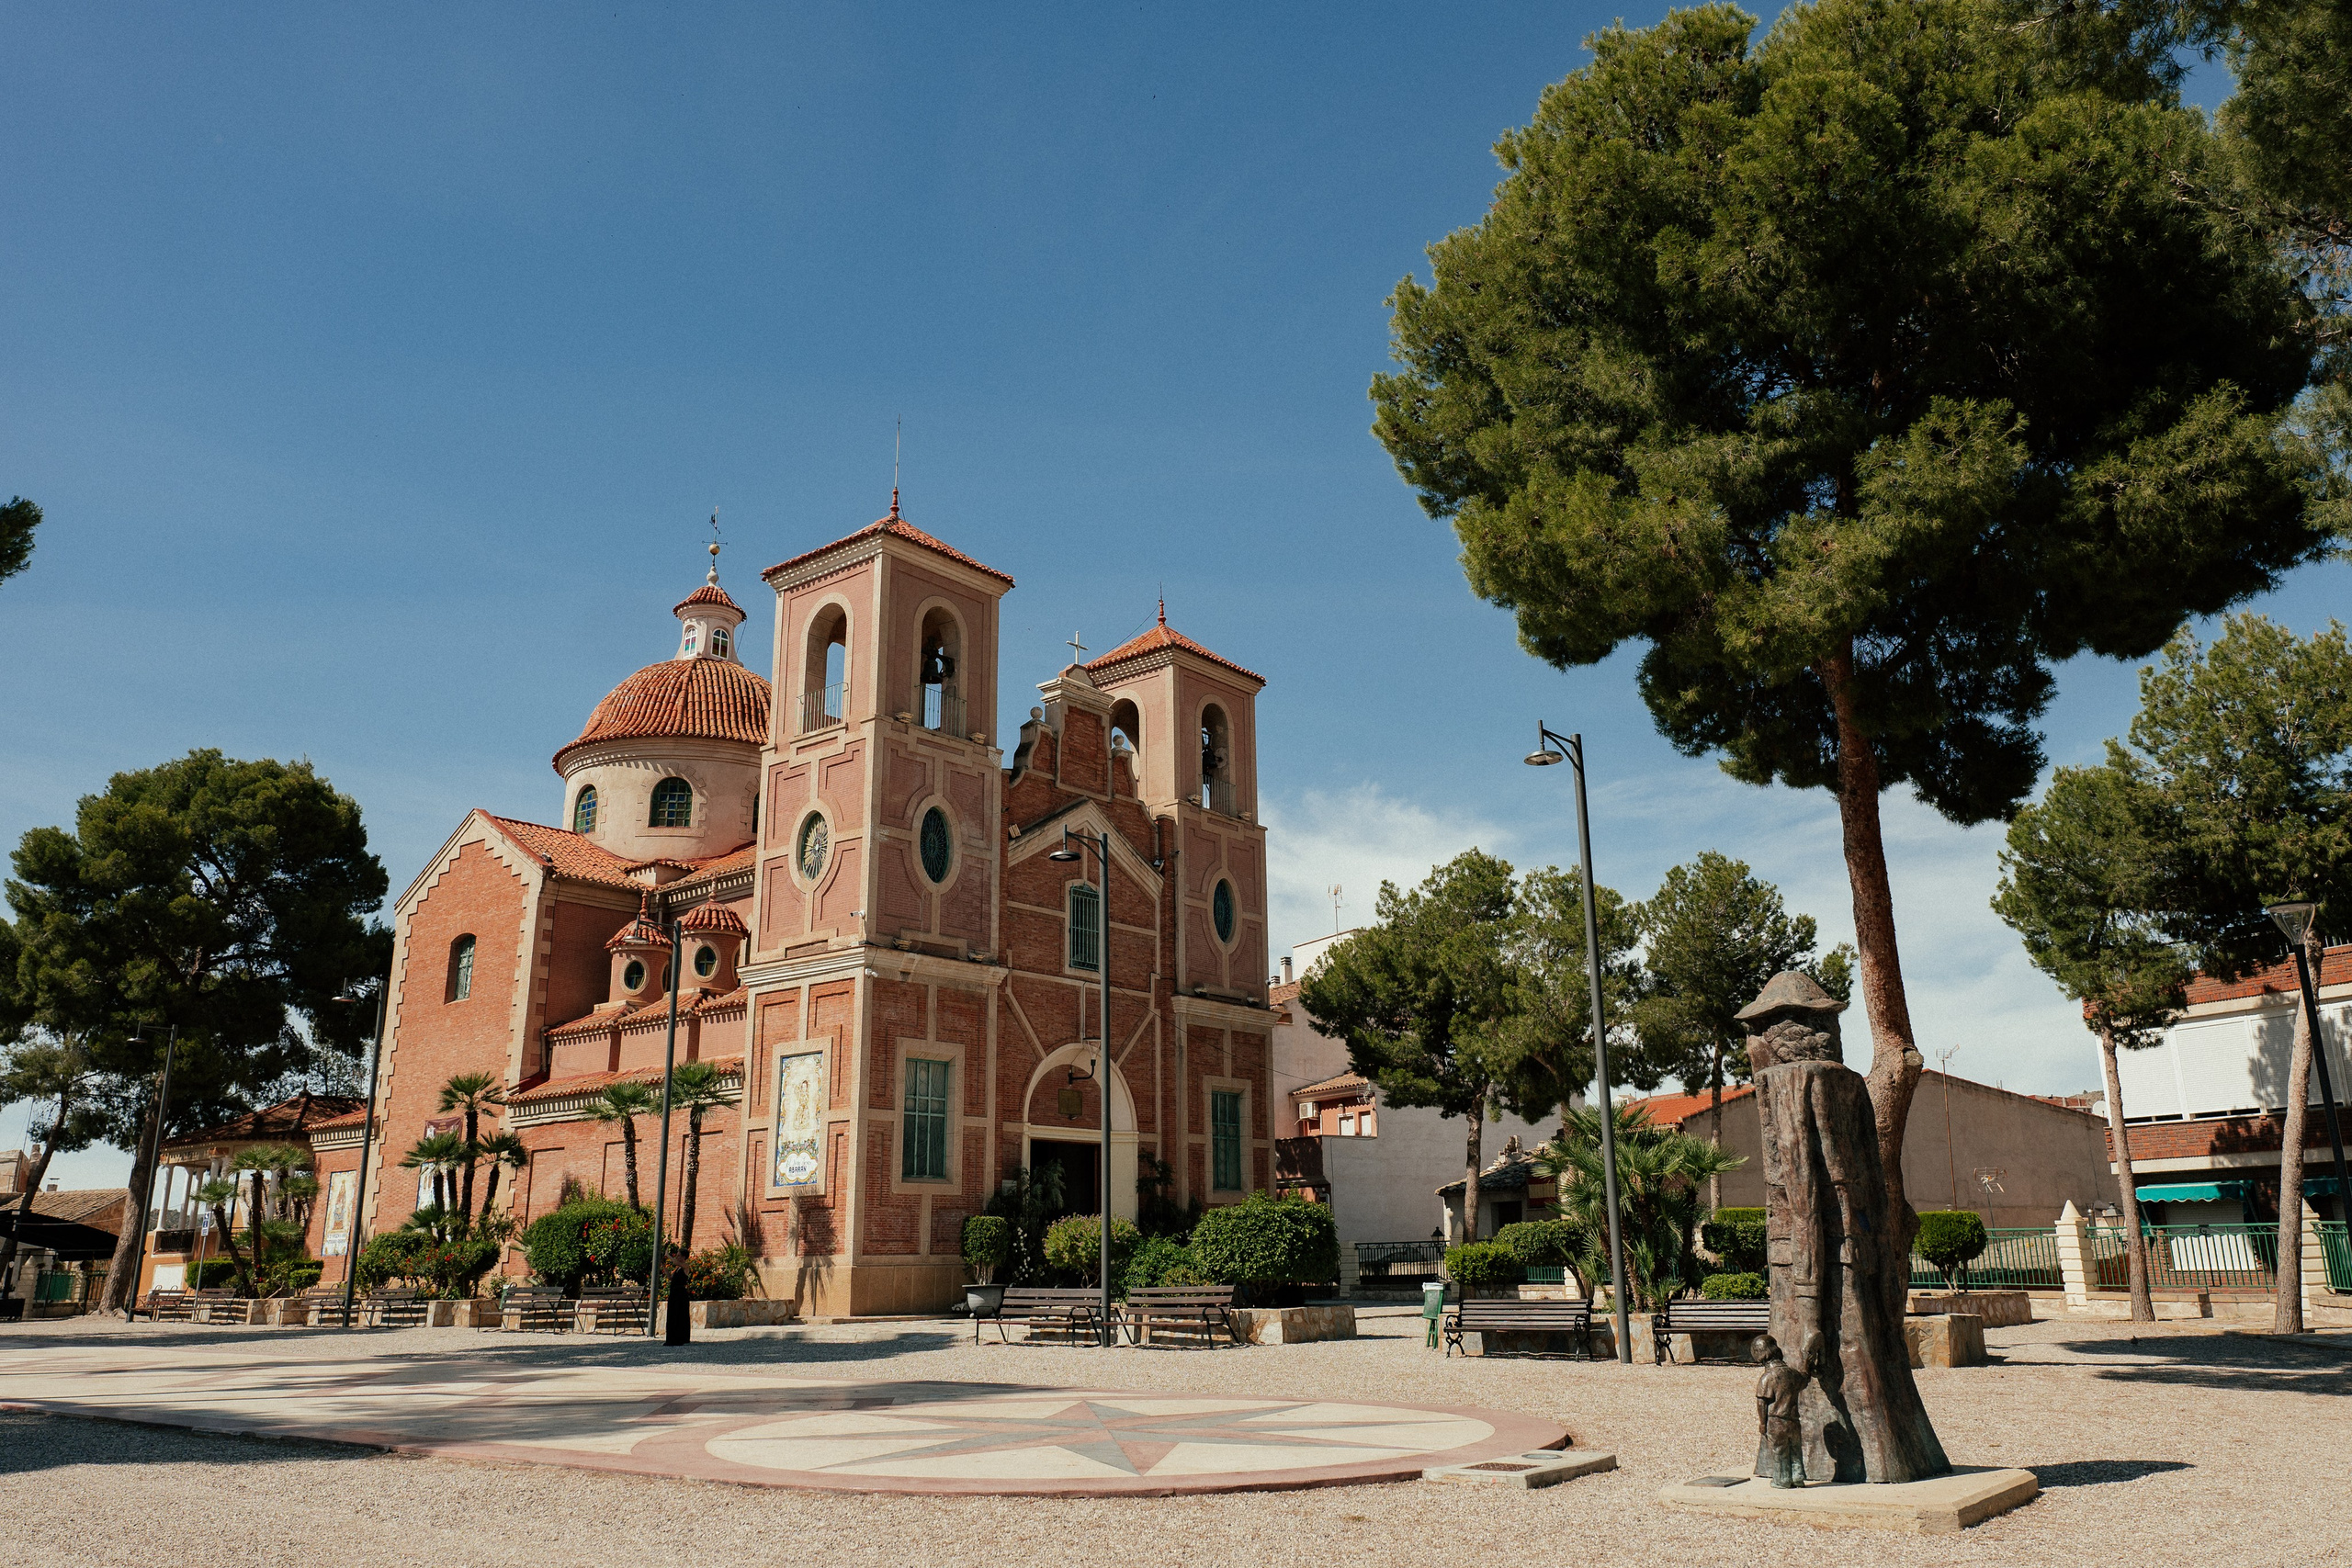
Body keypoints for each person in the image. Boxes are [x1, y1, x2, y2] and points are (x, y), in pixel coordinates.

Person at [1752, 1334, 1807, 1487]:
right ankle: (1797, 1477)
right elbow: (1804, 1380)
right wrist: (1807, 1365)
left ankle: (1782, 1480)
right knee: (1795, 1450)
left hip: (1777, 1421)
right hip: (1794, 1420)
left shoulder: (1768, 1377)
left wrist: (1763, 1423)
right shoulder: (1792, 1373)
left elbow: (1762, 1402)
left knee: (1780, 1451)